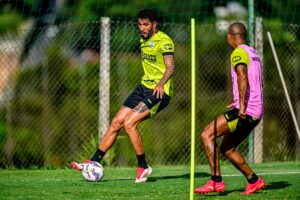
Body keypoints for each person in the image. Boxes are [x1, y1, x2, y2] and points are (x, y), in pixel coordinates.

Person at [71, 8, 175, 183]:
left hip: (159, 92)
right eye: (140, 24)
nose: (142, 28)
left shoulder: (164, 41)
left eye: (146, 24)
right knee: (116, 122)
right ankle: (94, 161)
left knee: (129, 124)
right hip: (143, 87)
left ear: (154, 25)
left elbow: (170, 67)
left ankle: (143, 166)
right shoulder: (143, 38)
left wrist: (160, 83)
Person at [194, 22, 265, 195]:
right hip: (256, 111)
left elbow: (242, 77)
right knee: (227, 148)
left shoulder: (238, 52)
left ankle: (215, 181)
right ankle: (254, 180)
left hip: (246, 110)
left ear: (229, 37)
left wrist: (241, 105)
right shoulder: (253, 52)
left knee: (206, 134)